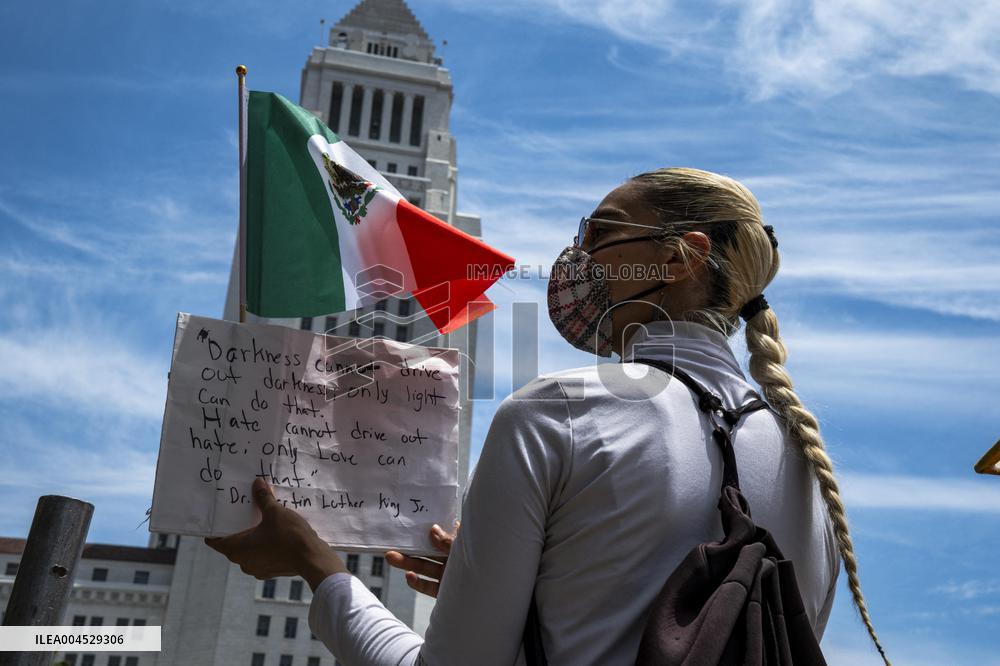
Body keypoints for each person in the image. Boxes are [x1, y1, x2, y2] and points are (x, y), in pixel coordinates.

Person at [206, 167, 889, 665]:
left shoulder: (555, 414)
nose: (579, 252)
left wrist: (315, 564)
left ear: (682, 257)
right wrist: (537, 591)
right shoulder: (807, 461)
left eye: (601, 231)